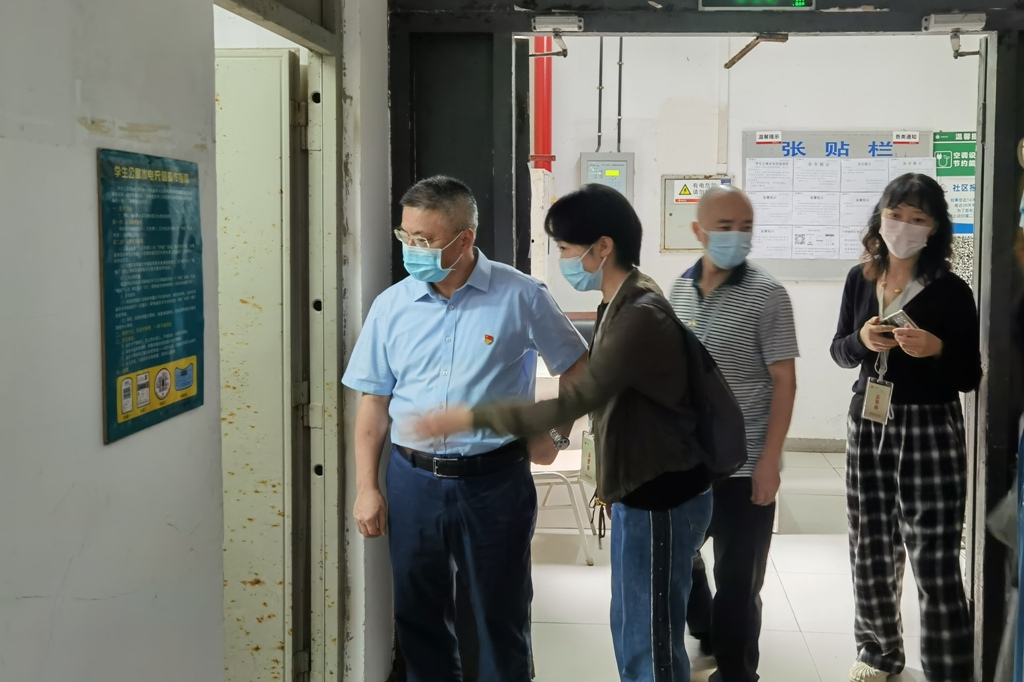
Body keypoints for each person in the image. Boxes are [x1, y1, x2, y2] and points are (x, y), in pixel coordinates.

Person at [413, 183, 713, 682]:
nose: (564, 260)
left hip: (663, 495)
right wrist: (610, 484)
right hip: (640, 488)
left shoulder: (639, 313)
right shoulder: (619, 301)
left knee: (651, 642)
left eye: (567, 249)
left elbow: (581, 397)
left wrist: (471, 418)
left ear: (603, 247)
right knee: (633, 629)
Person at [341, 175, 587, 682]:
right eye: (406, 236)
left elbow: (578, 368)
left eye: (425, 240)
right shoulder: (391, 306)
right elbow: (374, 403)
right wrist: (367, 487)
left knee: (499, 615)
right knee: (419, 615)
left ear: (464, 238)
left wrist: (556, 436)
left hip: (495, 483)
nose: (413, 249)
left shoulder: (521, 296)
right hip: (412, 481)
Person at [829, 173, 981, 682]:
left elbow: (969, 374)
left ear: (934, 228)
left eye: (918, 219)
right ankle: (878, 653)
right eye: (896, 215)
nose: (903, 227)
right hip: (869, 421)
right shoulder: (860, 279)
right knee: (870, 545)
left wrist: (936, 349)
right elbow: (839, 351)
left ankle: (947, 666)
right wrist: (861, 339)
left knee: (934, 553)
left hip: (930, 425)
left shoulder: (951, 290)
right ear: (880, 217)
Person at [670, 185, 799, 682]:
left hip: (745, 465)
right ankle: (704, 624)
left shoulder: (768, 294)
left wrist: (769, 461)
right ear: (699, 231)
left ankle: (737, 672)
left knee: (740, 581)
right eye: (725, 227)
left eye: (746, 227)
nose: (737, 236)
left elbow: (784, 380)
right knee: (681, 557)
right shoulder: (679, 289)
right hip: (689, 461)